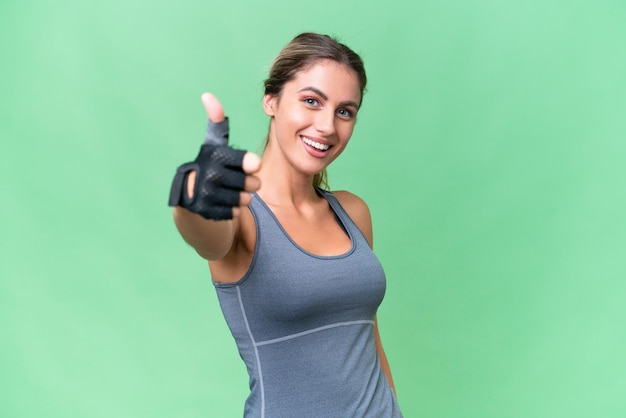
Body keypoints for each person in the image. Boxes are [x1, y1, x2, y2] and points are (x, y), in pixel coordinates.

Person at [169, 32, 403, 417]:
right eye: (311, 101)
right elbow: (206, 237)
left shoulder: (353, 211)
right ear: (272, 100)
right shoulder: (241, 217)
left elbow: (366, 334)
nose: (327, 126)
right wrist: (194, 199)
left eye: (345, 111)